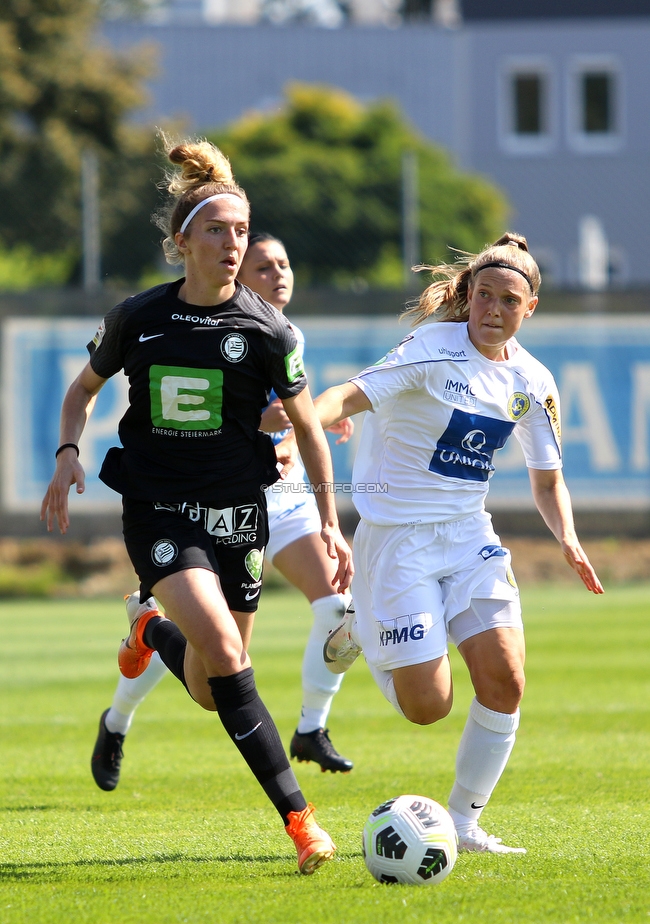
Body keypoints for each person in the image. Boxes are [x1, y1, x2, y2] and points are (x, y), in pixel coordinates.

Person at [41, 137, 353, 875]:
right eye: (217, 229)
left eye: (242, 231)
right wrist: (66, 455)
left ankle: (149, 630)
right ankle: (303, 824)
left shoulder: (268, 331)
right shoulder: (137, 318)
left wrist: (333, 522)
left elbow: (309, 427)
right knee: (228, 648)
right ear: (183, 242)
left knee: (215, 688)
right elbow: (83, 391)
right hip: (157, 508)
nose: (233, 243)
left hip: (238, 513)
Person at [314, 233, 603, 853]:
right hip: (397, 542)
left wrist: (569, 537)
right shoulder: (430, 349)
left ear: (530, 310)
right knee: (428, 707)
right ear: (467, 295)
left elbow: (548, 480)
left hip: (469, 536)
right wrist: (308, 414)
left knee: (505, 679)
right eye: (484, 296)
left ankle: (466, 823)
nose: (493, 310)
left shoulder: (533, 380)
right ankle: (363, 627)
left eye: (508, 301)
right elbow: (351, 393)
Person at [89, 231, 354, 793]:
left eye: (283, 263)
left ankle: (312, 727)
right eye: (264, 266)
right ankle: (119, 718)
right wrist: (275, 430)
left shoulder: (285, 333)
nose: (277, 273)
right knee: (211, 655)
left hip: (281, 502)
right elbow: (219, 421)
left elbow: (299, 412)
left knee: (339, 608)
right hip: (213, 496)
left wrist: (313, 424)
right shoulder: (203, 324)